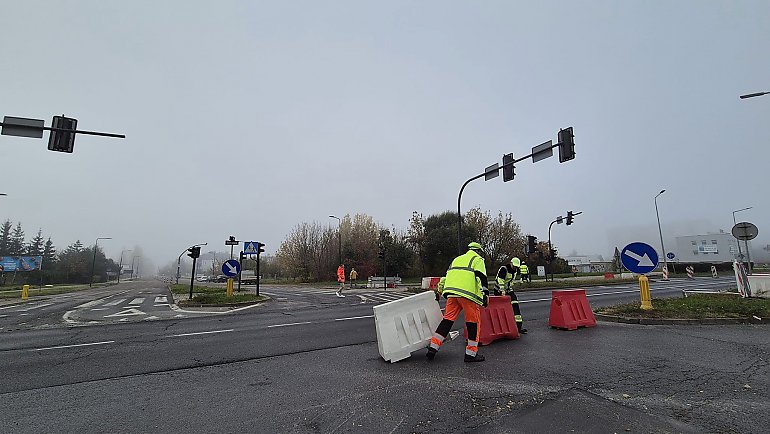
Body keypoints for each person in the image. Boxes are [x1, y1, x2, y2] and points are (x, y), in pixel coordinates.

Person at [427, 242, 489, 363]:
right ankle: (470, 354)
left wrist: (439, 291)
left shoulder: (457, 259)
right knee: (473, 322)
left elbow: (446, 277)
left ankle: (433, 348)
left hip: (452, 293)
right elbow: (482, 277)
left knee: (447, 320)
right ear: (479, 251)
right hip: (467, 295)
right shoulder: (478, 259)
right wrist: (485, 294)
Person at [497, 257, 527, 334]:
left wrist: (509, 289)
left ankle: (518, 326)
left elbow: (511, 281)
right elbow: (500, 279)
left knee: (515, 304)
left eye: (516, 267)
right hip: (499, 290)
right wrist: (502, 290)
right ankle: (501, 327)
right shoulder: (504, 269)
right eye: (514, 266)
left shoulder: (515, 271)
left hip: (508, 289)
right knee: (501, 308)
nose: (515, 268)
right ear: (510, 263)